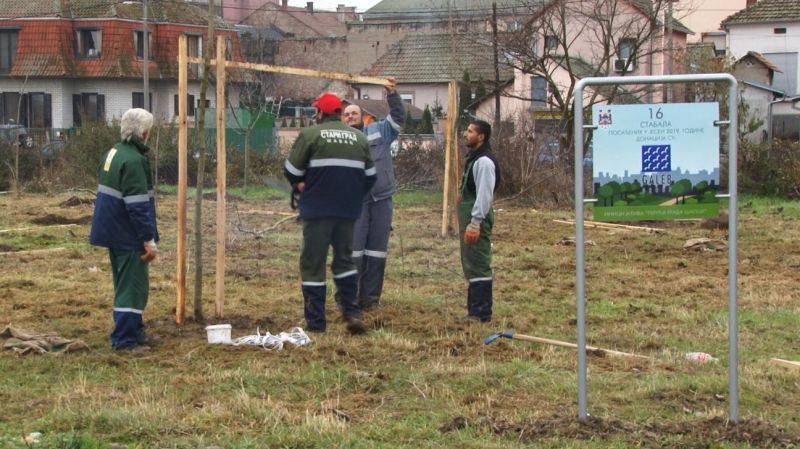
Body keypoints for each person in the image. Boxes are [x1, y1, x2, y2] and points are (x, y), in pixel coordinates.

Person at [284, 92, 376, 334]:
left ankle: (316, 324)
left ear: (321, 113)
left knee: (313, 264)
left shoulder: (310, 134)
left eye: (316, 111)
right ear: (339, 113)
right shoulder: (359, 138)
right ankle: (351, 313)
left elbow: (292, 170)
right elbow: (370, 178)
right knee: (344, 261)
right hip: (348, 211)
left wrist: (303, 184)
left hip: (317, 210)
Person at [89, 108, 158, 351]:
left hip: (111, 231)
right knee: (133, 288)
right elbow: (138, 205)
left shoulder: (113, 153)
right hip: (128, 234)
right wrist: (148, 240)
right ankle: (125, 340)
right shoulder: (135, 160)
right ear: (144, 133)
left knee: (123, 285)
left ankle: (134, 331)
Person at [342, 77, 405, 310]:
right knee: (354, 252)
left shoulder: (379, 131)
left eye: (354, 113)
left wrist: (392, 95)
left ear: (362, 116)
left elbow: (398, 118)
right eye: (346, 114)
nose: (350, 117)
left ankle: (370, 300)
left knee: (376, 252)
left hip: (381, 200)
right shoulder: (338, 141)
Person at [458, 120, 500, 322]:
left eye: (470, 131)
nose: (465, 134)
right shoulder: (475, 159)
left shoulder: (484, 162)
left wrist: (475, 223)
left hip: (477, 220)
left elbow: (484, 195)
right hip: (471, 219)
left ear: (481, 137)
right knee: (472, 264)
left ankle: (481, 313)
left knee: (479, 264)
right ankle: (473, 311)